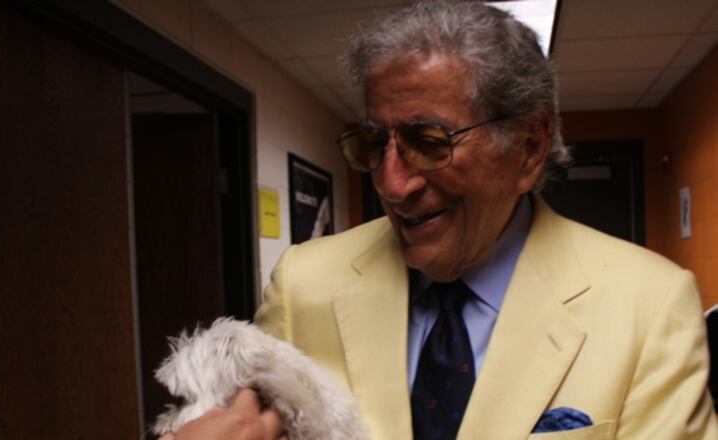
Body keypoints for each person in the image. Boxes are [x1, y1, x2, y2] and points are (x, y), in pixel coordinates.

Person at [164, 1, 717, 438]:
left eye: (429, 143)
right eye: (375, 143)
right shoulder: (304, 282)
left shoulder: (652, 304)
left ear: (528, 147)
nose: (391, 183)